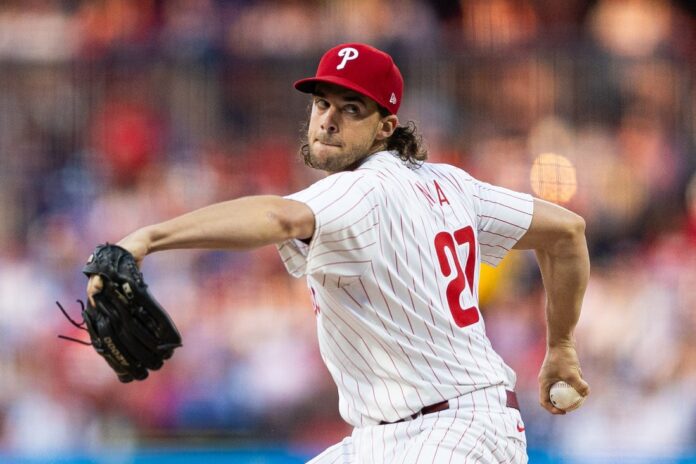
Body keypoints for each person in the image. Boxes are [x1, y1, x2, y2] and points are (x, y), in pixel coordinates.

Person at [87, 43, 590, 463]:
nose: (329, 120)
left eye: (351, 109)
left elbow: (279, 217)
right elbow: (565, 232)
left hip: (450, 434)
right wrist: (562, 347)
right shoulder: (452, 184)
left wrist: (147, 238)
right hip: (395, 436)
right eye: (322, 103)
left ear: (386, 127)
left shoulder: (360, 189)